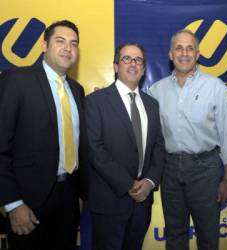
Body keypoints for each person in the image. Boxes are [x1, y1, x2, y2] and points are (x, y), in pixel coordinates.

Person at [0, 20, 88, 250]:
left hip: (68, 200)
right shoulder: (16, 81)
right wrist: (12, 203)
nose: (68, 48)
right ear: (43, 45)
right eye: (60, 41)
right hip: (27, 204)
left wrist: (79, 195)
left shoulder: (78, 91)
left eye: (74, 44)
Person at [147, 29, 227, 250]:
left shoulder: (215, 86)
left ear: (198, 54)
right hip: (169, 170)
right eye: (179, 48)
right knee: (175, 235)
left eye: (190, 48)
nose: (184, 53)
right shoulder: (156, 90)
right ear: (170, 54)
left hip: (205, 169)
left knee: (208, 236)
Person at [85, 42, 165, 250]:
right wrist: (127, 184)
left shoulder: (152, 104)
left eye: (138, 60)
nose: (133, 64)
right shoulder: (95, 101)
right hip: (109, 200)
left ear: (144, 68)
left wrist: (149, 181)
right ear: (115, 66)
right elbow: (95, 150)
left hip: (142, 201)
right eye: (126, 59)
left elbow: (158, 147)